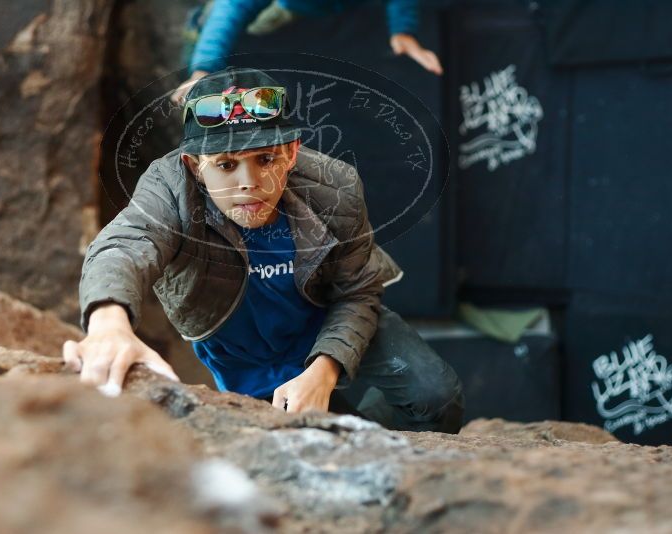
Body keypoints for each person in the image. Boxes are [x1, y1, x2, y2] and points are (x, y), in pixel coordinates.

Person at [63, 66, 464, 433]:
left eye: (265, 158)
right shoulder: (169, 187)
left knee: (436, 397)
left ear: (291, 152)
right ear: (193, 165)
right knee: (311, 439)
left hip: (326, 312)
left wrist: (325, 369)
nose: (249, 183)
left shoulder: (335, 185)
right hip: (243, 342)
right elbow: (124, 245)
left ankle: (384, 440)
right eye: (225, 165)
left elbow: (357, 291)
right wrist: (108, 324)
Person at [170, 0, 443, 104]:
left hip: (335, 12)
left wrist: (403, 31)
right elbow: (231, 9)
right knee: (221, 22)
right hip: (284, 10)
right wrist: (203, 69)